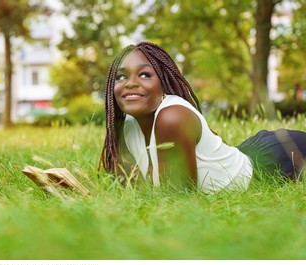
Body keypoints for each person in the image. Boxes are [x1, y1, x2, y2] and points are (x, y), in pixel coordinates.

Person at [99, 41, 306, 193]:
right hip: (247, 151)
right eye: (121, 76)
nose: (130, 83)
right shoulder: (126, 127)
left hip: (278, 159)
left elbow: (177, 200)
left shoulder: (172, 118)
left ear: (163, 84)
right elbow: (127, 188)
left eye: (145, 74)